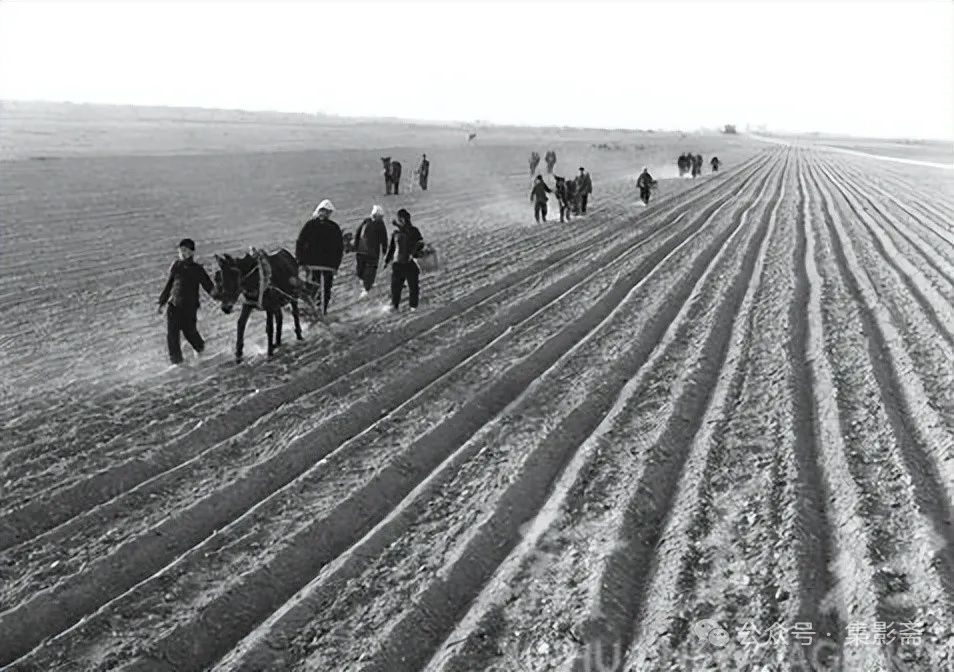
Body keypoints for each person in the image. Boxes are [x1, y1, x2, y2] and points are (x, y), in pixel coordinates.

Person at [157, 238, 215, 365]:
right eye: (180, 250)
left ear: (192, 252)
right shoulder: (176, 266)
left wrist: (221, 298)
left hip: (189, 308)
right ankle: (177, 362)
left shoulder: (197, 269)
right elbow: (169, 285)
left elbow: (209, 287)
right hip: (174, 306)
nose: (182, 253)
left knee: (190, 333)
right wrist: (162, 302)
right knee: (172, 336)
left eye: (185, 250)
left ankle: (201, 350)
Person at [295, 199, 343, 315]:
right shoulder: (310, 225)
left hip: (328, 266)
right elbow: (300, 243)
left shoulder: (334, 227)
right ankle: (311, 309)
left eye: (327, 212)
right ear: (319, 211)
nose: (324, 214)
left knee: (326, 289)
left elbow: (338, 248)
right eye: (323, 211)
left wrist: (336, 265)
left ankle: (322, 310)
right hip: (312, 264)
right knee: (312, 287)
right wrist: (300, 262)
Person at [384, 208, 424, 312]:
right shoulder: (398, 232)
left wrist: (413, 253)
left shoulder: (410, 231)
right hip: (400, 263)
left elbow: (420, 243)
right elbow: (392, 248)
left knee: (407, 286)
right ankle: (406, 306)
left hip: (405, 262)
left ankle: (407, 306)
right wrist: (387, 260)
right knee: (400, 287)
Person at [354, 204, 389, 296]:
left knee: (363, 270)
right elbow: (384, 238)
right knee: (369, 270)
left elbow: (357, 233)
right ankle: (366, 286)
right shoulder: (379, 224)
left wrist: (355, 245)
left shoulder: (366, 222)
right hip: (370, 252)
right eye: (380, 216)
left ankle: (366, 286)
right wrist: (385, 250)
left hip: (362, 251)